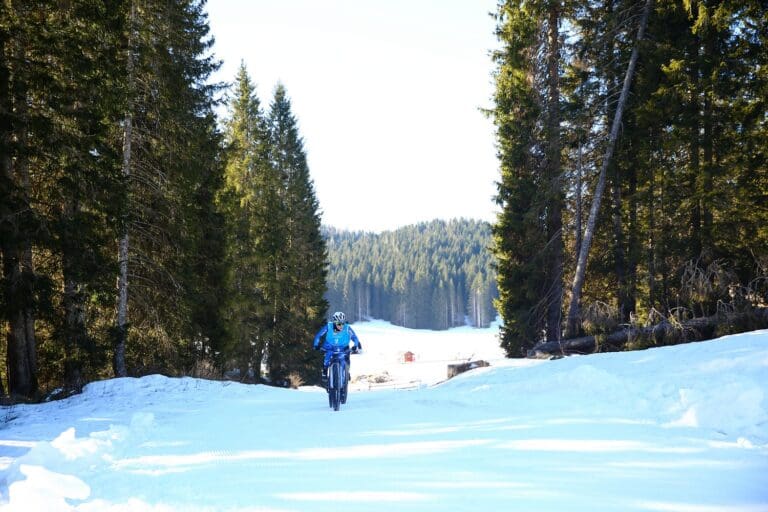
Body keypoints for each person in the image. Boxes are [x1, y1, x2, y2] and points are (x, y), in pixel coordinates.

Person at [313, 311, 362, 385]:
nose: (340, 325)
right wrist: (316, 345)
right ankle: (325, 371)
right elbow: (318, 335)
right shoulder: (328, 326)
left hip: (343, 347)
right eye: (338, 323)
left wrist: (355, 345)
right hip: (329, 346)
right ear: (334, 322)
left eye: (342, 323)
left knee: (347, 358)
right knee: (327, 357)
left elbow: (354, 337)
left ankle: (347, 371)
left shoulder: (347, 327)